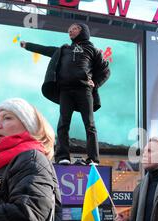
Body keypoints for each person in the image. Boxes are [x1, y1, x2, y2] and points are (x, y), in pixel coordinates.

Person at [20, 23, 110, 165]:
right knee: (63, 123)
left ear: (82, 30)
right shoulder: (64, 49)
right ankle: (63, 157)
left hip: (84, 90)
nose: (70, 31)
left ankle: (93, 158)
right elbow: (45, 49)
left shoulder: (93, 50)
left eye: (73, 29)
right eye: (68, 30)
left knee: (90, 124)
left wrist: (96, 83)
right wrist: (27, 45)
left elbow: (106, 70)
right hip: (65, 90)